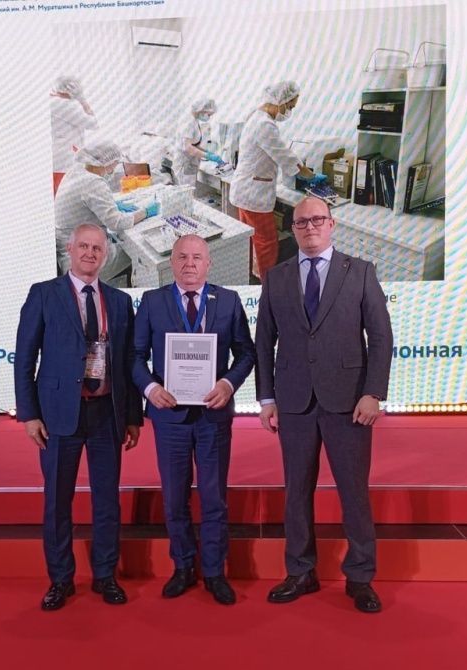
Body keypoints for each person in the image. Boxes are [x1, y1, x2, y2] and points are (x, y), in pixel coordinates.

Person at [255, 197, 393, 613]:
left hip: (349, 401)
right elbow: (264, 342)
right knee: (296, 492)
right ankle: (300, 571)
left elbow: (380, 337)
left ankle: (360, 576)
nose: (310, 227)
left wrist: (373, 392)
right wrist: (266, 398)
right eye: (301, 222)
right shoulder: (276, 277)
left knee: (354, 492)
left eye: (317, 219)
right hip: (294, 401)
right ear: (293, 229)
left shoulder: (360, 272)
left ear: (332, 224)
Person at [15, 223, 143, 611]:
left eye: (97, 248)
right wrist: (29, 414)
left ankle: (105, 575)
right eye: (83, 246)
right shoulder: (43, 294)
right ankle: (60, 579)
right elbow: (25, 358)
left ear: (106, 254)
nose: (90, 253)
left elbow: (127, 363)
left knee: (107, 500)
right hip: (58, 415)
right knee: (58, 500)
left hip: (107, 414)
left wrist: (133, 416)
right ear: (69, 250)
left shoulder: (119, 301)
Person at [133, 235, 255, 605]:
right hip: (169, 416)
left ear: (209, 263)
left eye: (197, 257)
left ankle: (215, 571)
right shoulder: (152, 302)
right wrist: (150, 388)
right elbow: (134, 356)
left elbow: (246, 353)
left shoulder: (228, 301)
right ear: (171, 262)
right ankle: (183, 566)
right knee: (174, 497)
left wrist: (228, 384)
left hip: (212, 416)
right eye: (182, 257)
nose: (190, 263)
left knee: (214, 497)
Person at [229, 80, 314, 279]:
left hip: (245, 190)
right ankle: (268, 285)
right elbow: (284, 156)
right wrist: (309, 175)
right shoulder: (265, 125)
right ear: (280, 101)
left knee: (253, 239)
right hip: (254, 195)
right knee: (267, 241)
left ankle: (255, 276)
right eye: (290, 106)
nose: (289, 111)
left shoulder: (256, 116)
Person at [53, 140, 160, 282]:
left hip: (69, 250)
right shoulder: (93, 182)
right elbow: (117, 222)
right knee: (138, 253)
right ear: (106, 162)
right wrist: (146, 212)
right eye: (115, 163)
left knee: (122, 243)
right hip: (82, 259)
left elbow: (88, 202)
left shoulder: (76, 172)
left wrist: (114, 204)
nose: (114, 168)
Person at [50, 76, 98, 195]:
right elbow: (93, 124)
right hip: (65, 159)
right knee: (66, 195)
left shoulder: (52, 101)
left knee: (58, 194)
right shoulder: (65, 105)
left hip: (57, 157)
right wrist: (82, 100)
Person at [172, 98, 223, 188]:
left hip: (189, 163)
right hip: (184, 164)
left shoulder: (194, 121)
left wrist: (206, 152)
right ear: (201, 110)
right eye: (208, 114)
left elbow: (193, 144)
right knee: (186, 191)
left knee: (190, 190)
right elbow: (188, 148)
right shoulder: (189, 123)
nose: (209, 117)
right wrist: (208, 156)